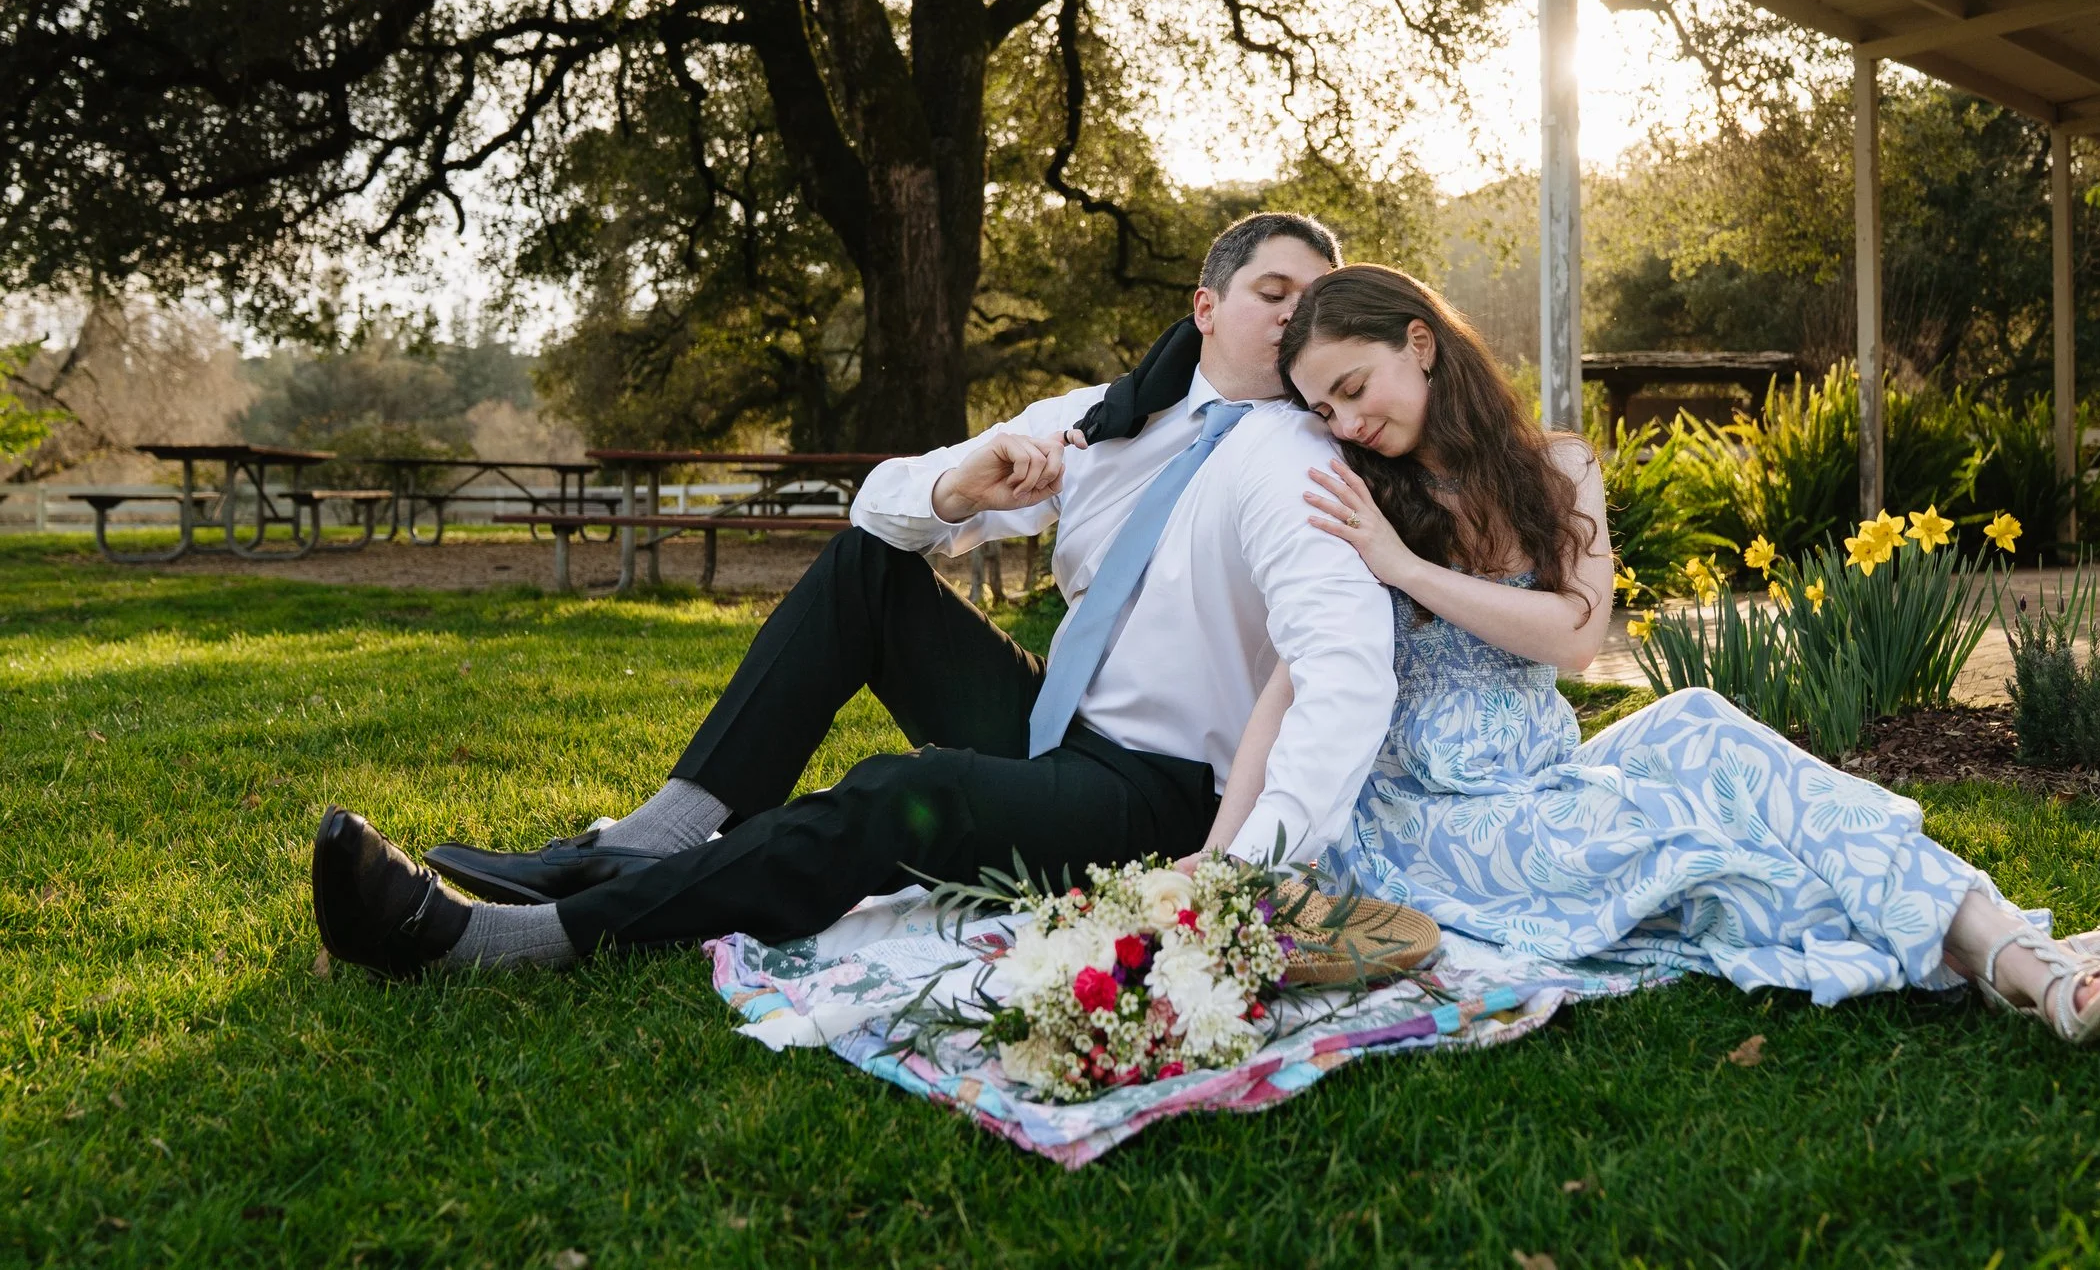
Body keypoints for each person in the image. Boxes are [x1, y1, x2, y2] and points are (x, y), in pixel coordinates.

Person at [311, 214, 1399, 977]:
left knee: (891, 795)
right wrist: (951, 487)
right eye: (1273, 294)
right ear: (1205, 305)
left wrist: (1239, 869)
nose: (1294, 321)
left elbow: (1340, 668)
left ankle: (513, 940)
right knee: (867, 566)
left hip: (1159, 791)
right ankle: (653, 833)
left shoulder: (1302, 462)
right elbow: (877, 509)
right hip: (1048, 722)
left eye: (1315, 307)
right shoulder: (1107, 417)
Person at [1207, 264, 2100, 1044]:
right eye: (1324, 409)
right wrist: (1221, 859)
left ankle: (2026, 959)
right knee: (1730, 858)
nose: (1345, 422)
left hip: (1548, 769)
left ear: (1420, 343)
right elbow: (1291, 686)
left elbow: (1574, 637)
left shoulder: (1557, 468)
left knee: (1700, 720)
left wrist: (1410, 568)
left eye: (1351, 386)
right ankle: (2042, 962)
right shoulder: (1353, 504)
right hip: (1433, 820)